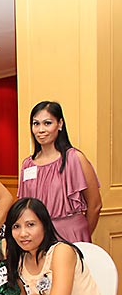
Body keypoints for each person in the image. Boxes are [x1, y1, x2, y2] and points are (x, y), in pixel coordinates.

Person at [5, 198, 118, 295]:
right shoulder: (21, 259)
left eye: (30, 225)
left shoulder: (61, 251)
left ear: (44, 225)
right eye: (16, 227)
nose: (23, 233)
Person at [18, 101, 102, 243]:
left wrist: (82, 235)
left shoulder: (74, 158)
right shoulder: (27, 165)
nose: (41, 130)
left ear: (60, 124)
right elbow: (24, 208)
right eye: (36, 123)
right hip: (38, 237)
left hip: (71, 234)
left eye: (47, 123)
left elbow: (95, 205)